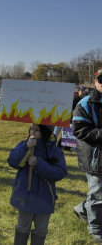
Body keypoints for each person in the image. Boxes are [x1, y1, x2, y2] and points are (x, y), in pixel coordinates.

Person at [8, 124, 67, 244]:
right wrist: (26, 147)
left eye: (37, 130)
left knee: (41, 229)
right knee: (22, 226)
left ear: (45, 132)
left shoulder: (53, 150)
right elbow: (12, 161)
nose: (32, 132)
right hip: (25, 196)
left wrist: (38, 163)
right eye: (31, 129)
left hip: (44, 198)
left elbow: (59, 172)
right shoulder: (24, 144)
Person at [72, 69, 102, 242]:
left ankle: (82, 209)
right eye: (101, 79)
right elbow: (79, 130)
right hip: (95, 158)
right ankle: (96, 230)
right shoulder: (85, 103)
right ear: (95, 81)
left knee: (97, 194)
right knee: (98, 195)